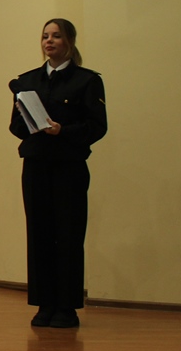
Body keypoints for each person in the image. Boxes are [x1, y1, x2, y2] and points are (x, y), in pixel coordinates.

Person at [8, 18, 107, 329]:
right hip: (36, 164)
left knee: (68, 234)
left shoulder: (86, 81)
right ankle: (44, 303)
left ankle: (66, 307)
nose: (49, 41)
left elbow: (97, 126)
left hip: (68, 166)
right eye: (45, 36)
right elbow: (15, 127)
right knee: (39, 233)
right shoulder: (27, 81)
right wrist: (30, 122)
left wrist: (62, 130)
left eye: (56, 36)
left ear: (69, 42)